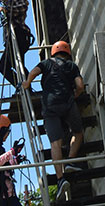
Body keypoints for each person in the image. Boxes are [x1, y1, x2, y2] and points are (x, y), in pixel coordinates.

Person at [21, 40, 85, 181]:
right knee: (78, 132)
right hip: (67, 103)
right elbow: (80, 85)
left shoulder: (47, 63)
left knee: (55, 143)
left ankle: (60, 178)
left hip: (50, 104)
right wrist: (76, 95)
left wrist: (27, 83)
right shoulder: (71, 66)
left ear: (53, 52)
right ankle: (70, 160)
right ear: (67, 53)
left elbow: (34, 72)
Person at [0, 0, 33, 88]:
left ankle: (25, 86)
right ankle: (24, 86)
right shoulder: (8, 2)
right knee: (12, 65)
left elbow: (23, 6)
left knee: (8, 65)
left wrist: (6, 10)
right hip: (14, 37)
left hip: (19, 35)